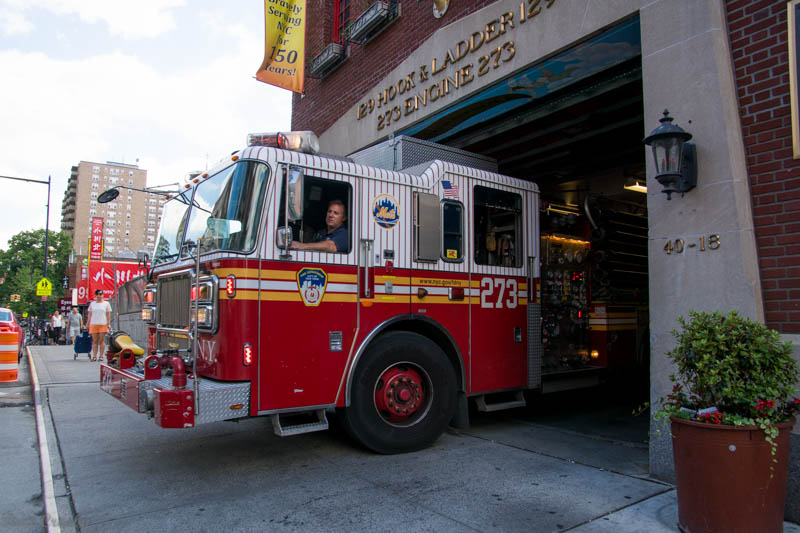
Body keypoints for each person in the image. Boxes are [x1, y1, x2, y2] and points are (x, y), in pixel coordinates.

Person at [86, 290, 112, 361]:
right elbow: (90, 314)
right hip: (94, 323)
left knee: (101, 340)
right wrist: (87, 324)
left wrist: (108, 323)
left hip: (103, 324)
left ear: (103, 295)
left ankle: (101, 356)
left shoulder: (106, 304)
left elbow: (108, 314)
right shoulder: (92, 304)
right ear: (95, 295)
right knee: (94, 341)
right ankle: (94, 356)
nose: (99, 295)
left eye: (101, 294)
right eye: (98, 294)